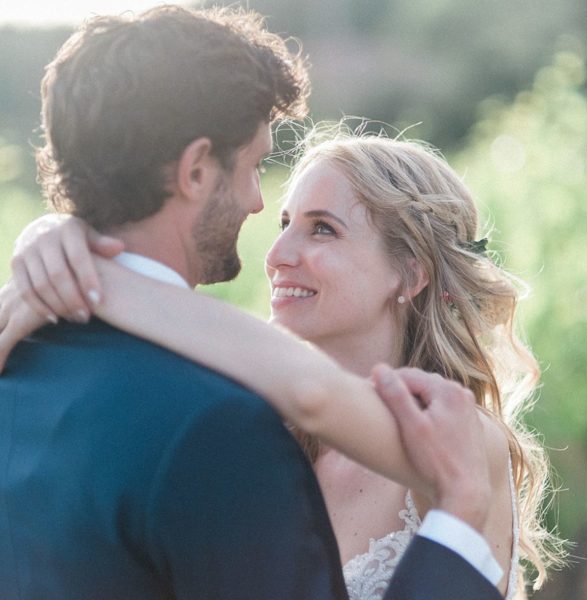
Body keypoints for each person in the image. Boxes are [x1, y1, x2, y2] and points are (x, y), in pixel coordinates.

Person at [0, 5, 507, 600]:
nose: (273, 242)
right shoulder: (238, 424)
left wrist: (88, 263)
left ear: (412, 271)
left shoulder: (448, 439)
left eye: (322, 229)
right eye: (260, 174)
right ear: (194, 171)